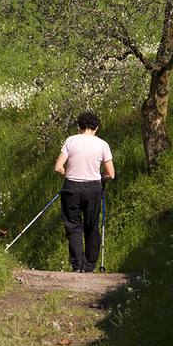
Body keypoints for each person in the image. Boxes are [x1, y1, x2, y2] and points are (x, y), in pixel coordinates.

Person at [54, 111, 115, 272]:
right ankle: (89, 266)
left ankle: (77, 264)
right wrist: (101, 177)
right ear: (96, 128)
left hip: (71, 186)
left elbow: (58, 167)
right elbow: (111, 173)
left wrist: (67, 174)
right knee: (92, 225)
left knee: (73, 226)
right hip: (93, 187)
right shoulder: (102, 144)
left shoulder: (70, 141)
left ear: (79, 127)